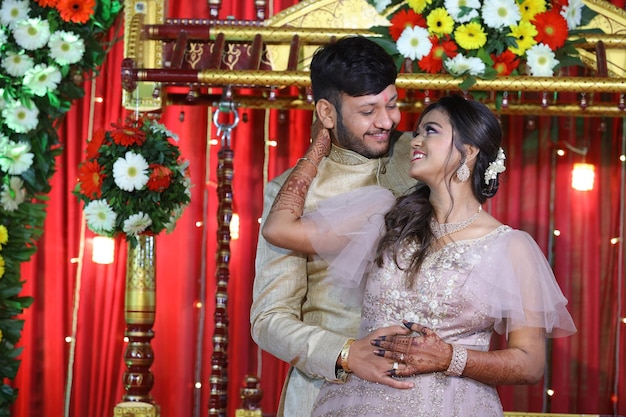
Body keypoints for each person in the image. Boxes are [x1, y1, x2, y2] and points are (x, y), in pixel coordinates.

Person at [261, 94, 577, 416]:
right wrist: (316, 151)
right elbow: (278, 229)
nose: (416, 140)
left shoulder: (511, 247)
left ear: (468, 151)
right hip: (357, 402)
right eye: (417, 132)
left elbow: (529, 363)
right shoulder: (385, 218)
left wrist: (450, 358)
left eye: (431, 131)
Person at [250, 36, 417, 417]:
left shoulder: (422, 156)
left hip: (418, 390)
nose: (387, 121)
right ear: (327, 113)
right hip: (327, 392)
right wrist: (345, 353)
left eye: (392, 104)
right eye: (368, 110)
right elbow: (269, 319)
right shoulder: (291, 195)